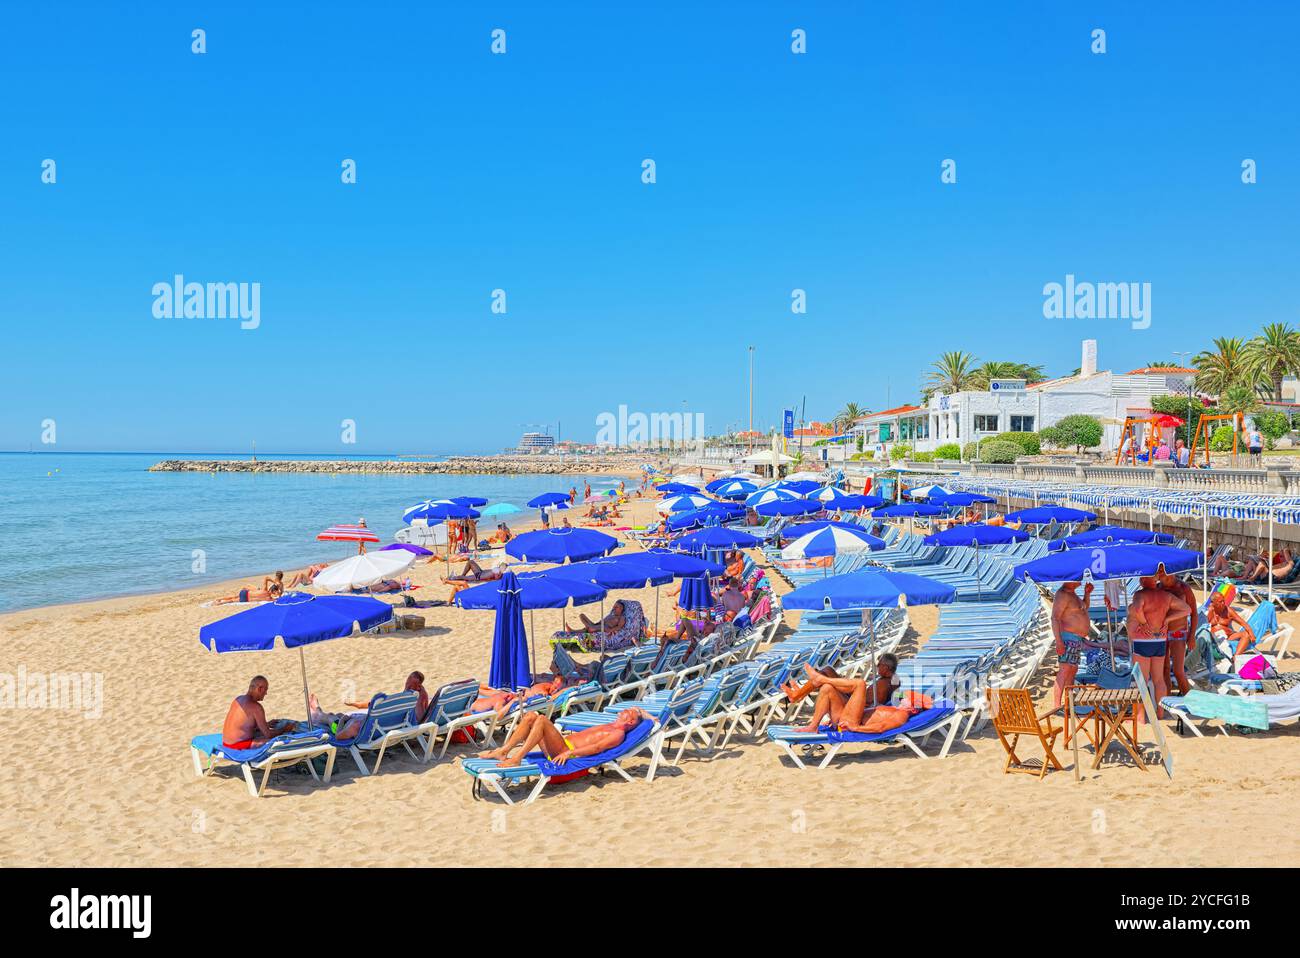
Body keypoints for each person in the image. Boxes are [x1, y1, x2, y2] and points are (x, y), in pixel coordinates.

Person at [480, 707, 649, 768]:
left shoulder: (617, 734)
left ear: (631, 721)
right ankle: (503, 751)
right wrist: (649, 715)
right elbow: (637, 709)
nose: (623, 711)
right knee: (531, 716)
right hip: (562, 744)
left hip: (566, 751)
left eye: (626, 712)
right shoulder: (615, 724)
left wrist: (568, 754)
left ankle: (517, 758)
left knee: (542, 720)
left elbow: (597, 748)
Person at [1128, 576, 1191, 722]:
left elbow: (1137, 609)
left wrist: (1144, 624)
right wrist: (1167, 619)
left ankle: (1141, 716)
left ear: (1143, 581)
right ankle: (1161, 714)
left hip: (1143, 640)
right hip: (1160, 640)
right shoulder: (1166, 596)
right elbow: (1186, 610)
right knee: (1159, 680)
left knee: (1141, 680)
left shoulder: (1140, 595)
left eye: (1141, 579)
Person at [785, 658, 900, 733]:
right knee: (827, 677)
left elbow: (869, 704)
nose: (877, 667)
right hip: (851, 707)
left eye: (879, 665)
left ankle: (802, 692)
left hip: (855, 714)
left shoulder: (886, 683)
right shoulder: (889, 680)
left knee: (860, 683)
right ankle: (811, 721)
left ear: (886, 667)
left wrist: (853, 693)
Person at [222, 676, 297, 749]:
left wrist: (266, 724)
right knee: (279, 741)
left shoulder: (238, 699)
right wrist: (285, 729)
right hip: (238, 745)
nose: (266, 693)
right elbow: (268, 735)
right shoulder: (256, 707)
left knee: (263, 735)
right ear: (260, 689)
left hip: (225, 743)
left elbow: (244, 725)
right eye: (266, 689)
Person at [1050, 581, 1093, 709]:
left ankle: (1068, 703)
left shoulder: (1072, 594)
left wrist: (1087, 594)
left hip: (1076, 639)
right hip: (1067, 638)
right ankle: (1056, 706)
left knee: (1072, 670)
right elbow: (1055, 618)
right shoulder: (1062, 594)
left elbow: (1084, 607)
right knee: (1065, 670)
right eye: (1077, 576)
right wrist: (1058, 642)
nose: (1080, 578)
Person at [1156, 569, 1196, 697]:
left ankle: (1190, 700)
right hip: (1162, 633)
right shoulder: (1158, 588)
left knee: (1178, 671)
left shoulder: (1184, 588)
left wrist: (1192, 636)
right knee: (1164, 669)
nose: (1160, 575)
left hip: (1178, 632)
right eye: (1159, 573)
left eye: (1162, 573)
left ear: (1171, 572)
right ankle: (1167, 700)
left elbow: (1194, 613)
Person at [1207, 592, 1257, 658]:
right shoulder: (1208, 611)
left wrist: (1251, 633)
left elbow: (1243, 623)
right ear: (1213, 602)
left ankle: (1236, 657)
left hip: (1229, 636)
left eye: (1223, 601)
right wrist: (1210, 612)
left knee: (1246, 634)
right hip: (1215, 639)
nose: (1223, 603)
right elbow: (1203, 627)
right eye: (1220, 601)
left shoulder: (1228, 610)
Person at [213, 582, 283, 604]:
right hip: (246, 599)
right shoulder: (269, 598)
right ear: (274, 591)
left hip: (245, 593)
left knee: (233, 597)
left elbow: (266, 578)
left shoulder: (264, 589)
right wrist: (279, 595)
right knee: (232, 600)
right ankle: (220, 603)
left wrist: (273, 582)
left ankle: (219, 599)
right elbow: (278, 600)